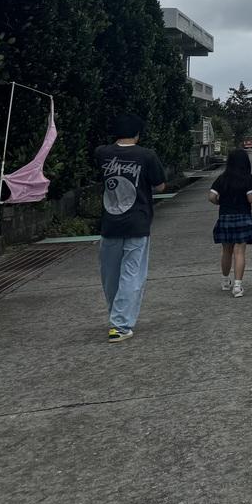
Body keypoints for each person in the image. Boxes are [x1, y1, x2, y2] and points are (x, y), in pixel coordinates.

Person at [96, 114, 166, 342]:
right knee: (132, 274)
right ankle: (120, 324)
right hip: (138, 221)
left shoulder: (102, 153)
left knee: (110, 275)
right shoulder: (146, 155)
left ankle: (116, 317)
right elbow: (160, 185)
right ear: (137, 134)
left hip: (110, 222)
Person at [207, 149, 252, 298]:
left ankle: (225, 281)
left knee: (226, 251)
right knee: (239, 252)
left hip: (225, 217)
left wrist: (220, 202)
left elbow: (211, 197)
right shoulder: (248, 178)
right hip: (242, 217)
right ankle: (237, 286)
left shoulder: (222, 179)